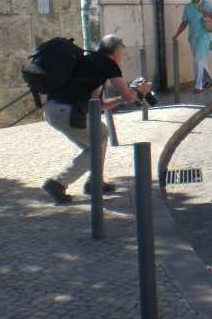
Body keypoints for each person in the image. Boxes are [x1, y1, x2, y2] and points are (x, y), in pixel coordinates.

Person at [42, 35, 153, 204]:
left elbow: (98, 104)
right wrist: (139, 91)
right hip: (67, 111)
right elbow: (129, 97)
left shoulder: (87, 61)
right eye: (121, 55)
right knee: (94, 148)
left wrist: (121, 99)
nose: (121, 59)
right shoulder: (108, 64)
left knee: (101, 133)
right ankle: (57, 183)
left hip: (54, 109)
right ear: (115, 53)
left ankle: (95, 182)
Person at [173, 0, 212, 93]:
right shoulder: (187, 7)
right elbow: (184, 22)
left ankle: (198, 86)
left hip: (204, 35)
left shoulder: (205, 3)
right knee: (200, 59)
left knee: (197, 59)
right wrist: (176, 34)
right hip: (193, 36)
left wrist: (204, 11)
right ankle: (210, 80)